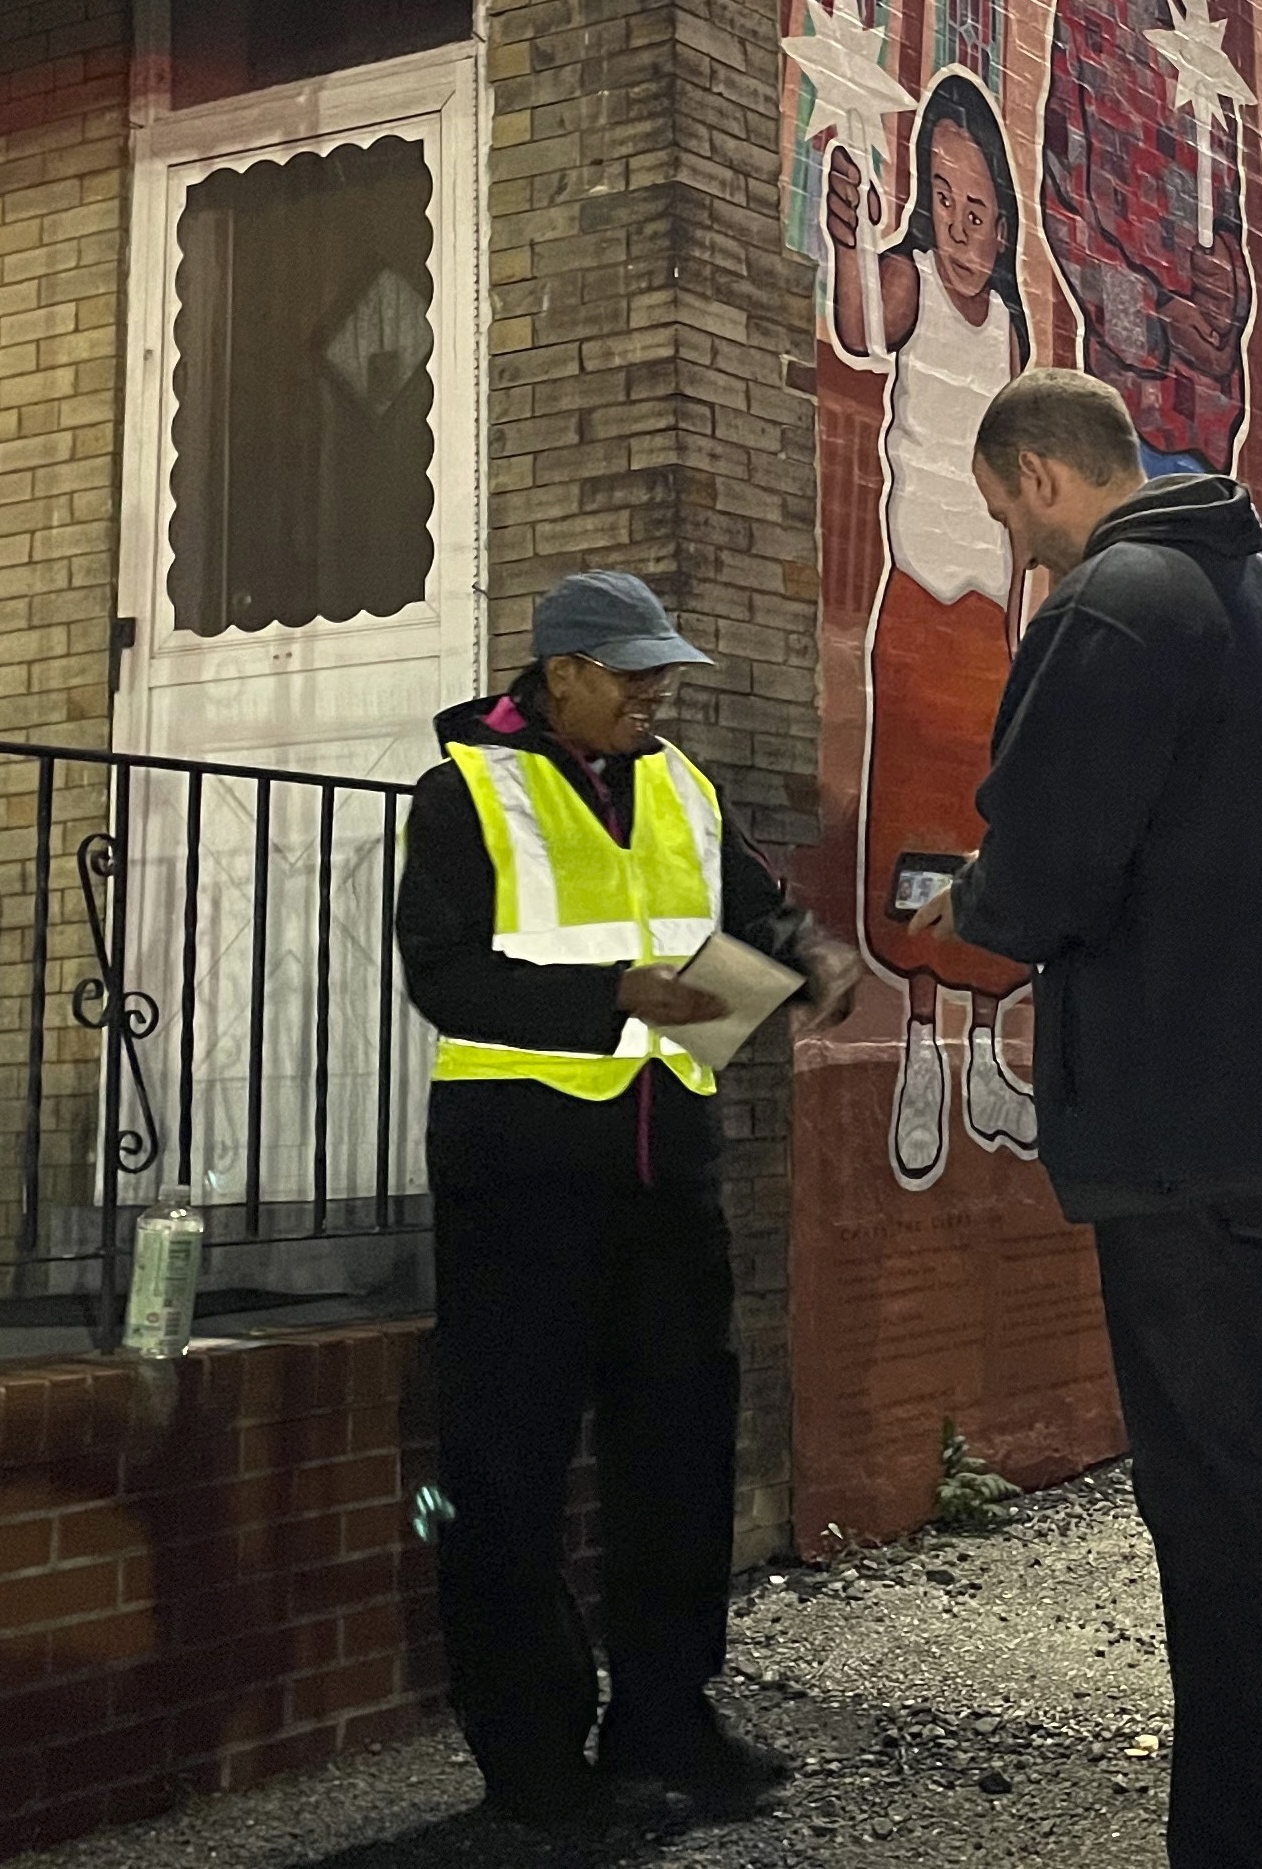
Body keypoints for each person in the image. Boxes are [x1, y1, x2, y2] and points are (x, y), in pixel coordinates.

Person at [909, 367, 1262, 1869]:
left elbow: (1048, 869)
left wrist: (956, 908)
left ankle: (1247, 1845)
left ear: (1046, 474)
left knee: (1215, 1504)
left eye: (1006, 515)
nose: (1014, 548)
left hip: (1176, 1114)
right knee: (1254, 1486)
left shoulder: (1112, 607)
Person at [395, 570, 867, 1827]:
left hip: (668, 1176)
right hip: (520, 1182)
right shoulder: (463, 796)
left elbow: (756, 904)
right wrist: (613, 991)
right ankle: (534, 1764)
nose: (659, 692)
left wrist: (812, 950)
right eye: (634, 672)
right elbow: (443, 979)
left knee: (678, 1456)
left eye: (665, 671)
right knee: (506, 1470)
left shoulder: (681, 785)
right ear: (560, 678)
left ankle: (669, 1715)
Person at [826, 73, 1038, 1186]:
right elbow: (860, 326)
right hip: (916, 609)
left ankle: (990, 1057)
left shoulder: (1012, 327)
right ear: (924, 203)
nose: (965, 221)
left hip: (990, 634)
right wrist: (850, 235)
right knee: (913, 846)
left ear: (1006, 218)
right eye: (945, 197)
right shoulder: (903, 281)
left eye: (983, 202)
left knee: (988, 845)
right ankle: (918, 1049)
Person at [1040, 0, 1258, 479]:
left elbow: (1224, 214)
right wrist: (1161, 323)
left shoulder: (1196, 25)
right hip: (1128, 406)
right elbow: (1065, 207)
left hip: (1210, 413)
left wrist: (1227, 296)